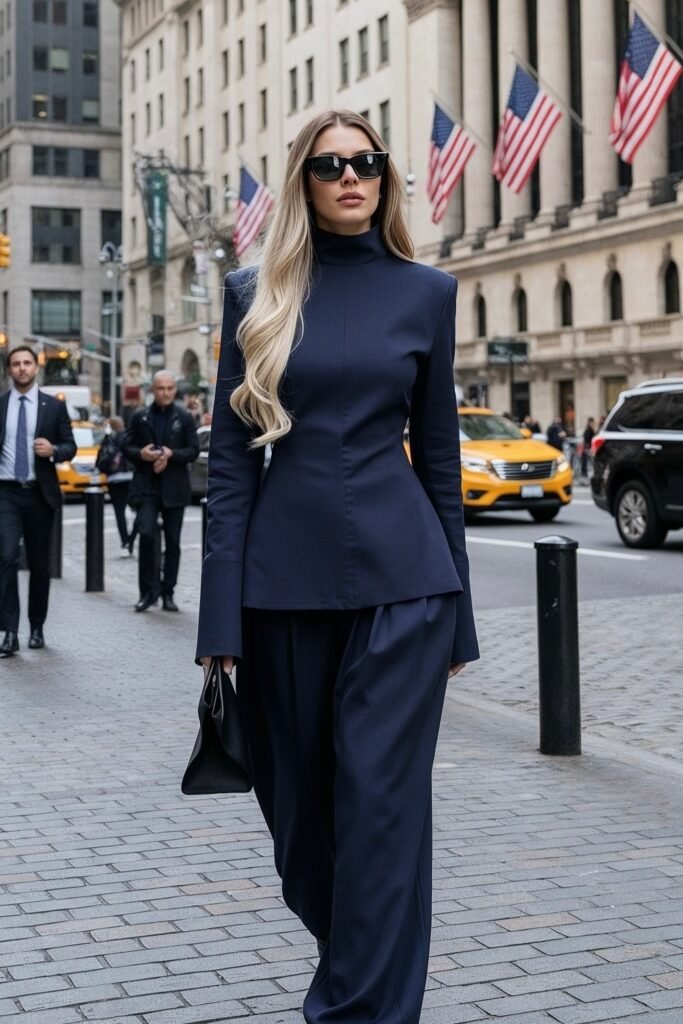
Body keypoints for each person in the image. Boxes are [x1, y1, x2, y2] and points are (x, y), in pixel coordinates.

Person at [195, 109, 479, 1024]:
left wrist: (460, 616)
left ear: (385, 176)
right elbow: (230, 468)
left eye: (366, 161)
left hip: (406, 588)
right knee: (301, 828)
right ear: (303, 184)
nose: (350, 176)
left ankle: (357, 1010)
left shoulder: (427, 292)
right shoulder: (254, 292)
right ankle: (361, 966)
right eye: (329, 166)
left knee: (380, 810)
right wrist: (218, 622)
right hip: (280, 588)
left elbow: (440, 461)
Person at [0, 345, 76, 656]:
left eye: (27, 363)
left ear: (35, 367)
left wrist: (54, 450)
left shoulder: (53, 406)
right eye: (16, 363)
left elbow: (70, 446)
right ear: (9, 369)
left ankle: (36, 627)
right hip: (6, 492)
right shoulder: (1, 404)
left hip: (39, 494)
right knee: (6, 558)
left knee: (40, 564)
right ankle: (9, 631)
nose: (22, 368)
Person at [123, 372, 198, 612]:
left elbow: (193, 450)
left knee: (173, 543)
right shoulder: (140, 417)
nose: (165, 393)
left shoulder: (184, 418)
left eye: (170, 388)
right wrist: (141, 454)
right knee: (146, 534)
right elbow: (126, 446)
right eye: (160, 388)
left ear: (175, 389)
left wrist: (172, 454)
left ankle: (168, 592)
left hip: (175, 487)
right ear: (152, 390)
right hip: (147, 487)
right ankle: (148, 592)